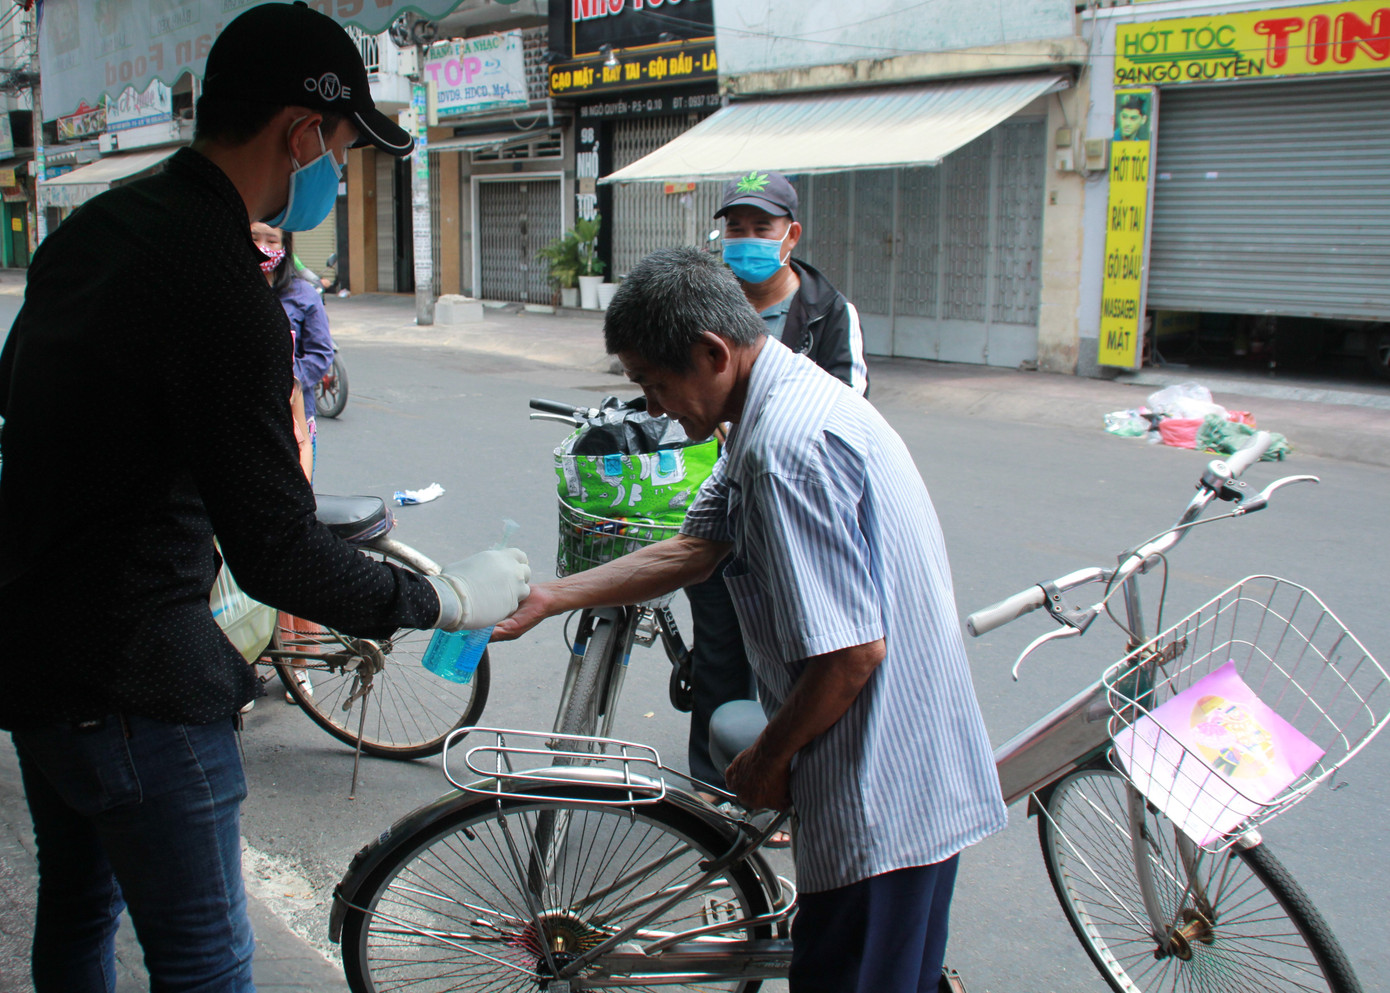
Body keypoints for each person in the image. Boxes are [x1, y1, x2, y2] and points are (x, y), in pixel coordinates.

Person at [0, 4, 530, 990]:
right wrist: (442, 599)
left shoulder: (97, 230)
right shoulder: (221, 285)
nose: (337, 171)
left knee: (76, 919)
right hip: (140, 690)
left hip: (36, 665)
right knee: (205, 962)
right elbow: (275, 554)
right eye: (339, 146)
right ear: (299, 134)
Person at [495, 247, 1006, 993]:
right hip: (908, 774)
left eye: (656, 384)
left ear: (712, 352)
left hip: (882, 795)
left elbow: (853, 654)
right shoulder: (775, 401)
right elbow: (698, 546)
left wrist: (767, 756)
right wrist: (553, 597)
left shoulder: (781, 449)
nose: (658, 408)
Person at [683, 171, 868, 814]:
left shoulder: (826, 311)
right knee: (718, 645)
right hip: (720, 488)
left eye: (761, 228)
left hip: (784, 499)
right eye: (736, 228)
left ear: (790, 235)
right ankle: (714, 783)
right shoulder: (706, 300)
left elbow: (847, 411)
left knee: (789, 648)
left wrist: (751, 431)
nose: (746, 241)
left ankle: (779, 776)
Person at [251, 221, 334, 477]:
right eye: (254, 238)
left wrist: (283, 380)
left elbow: (321, 353)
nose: (262, 247)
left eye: (271, 241)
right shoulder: (230, 291)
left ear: (285, 247)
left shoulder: (303, 295)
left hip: (293, 417)